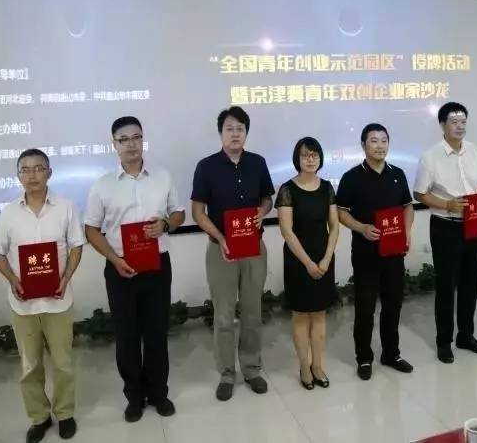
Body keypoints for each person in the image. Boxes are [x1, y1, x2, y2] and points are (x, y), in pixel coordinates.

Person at [84, 116, 185, 422]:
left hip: (157, 266)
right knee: (127, 336)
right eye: (124, 139)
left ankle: (159, 393)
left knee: (156, 332)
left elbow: (179, 213)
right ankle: (134, 396)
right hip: (120, 268)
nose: (131, 144)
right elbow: (91, 229)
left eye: (136, 137)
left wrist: (166, 224)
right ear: (114, 144)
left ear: (143, 140)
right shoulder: (103, 185)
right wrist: (114, 259)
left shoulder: (162, 177)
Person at [0, 149, 84, 442]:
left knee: (63, 363)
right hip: (23, 304)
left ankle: (65, 413)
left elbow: (76, 246)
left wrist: (66, 278)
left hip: (58, 300)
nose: (32, 175)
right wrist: (13, 280)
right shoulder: (9, 212)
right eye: (25, 170)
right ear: (18, 175)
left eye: (38, 168)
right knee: (30, 366)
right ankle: (39, 417)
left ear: (49, 173)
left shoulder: (66, 207)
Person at [191, 106, 275, 402]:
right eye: (229, 128)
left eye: (240, 128)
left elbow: (267, 198)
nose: (235, 133)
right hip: (221, 251)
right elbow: (198, 212)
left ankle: (251, 369)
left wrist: (262, 211)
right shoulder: (206, 166)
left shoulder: (258, 163)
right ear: (220, 133)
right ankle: (227, 373)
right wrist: (220, 237)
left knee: (252, 312)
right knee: (224, 315)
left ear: (246, 133)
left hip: (254, 248)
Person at [414, 102, 477, 361]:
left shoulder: (474, 151)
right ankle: (444, 341)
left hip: (472, 225)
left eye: (463, 122)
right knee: (446, 285)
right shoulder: (431, 156)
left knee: (471, 284)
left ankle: (466, 335)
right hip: (445, 226)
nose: (460, 126)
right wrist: (446, 204)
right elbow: (420, 193)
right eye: (454, 122)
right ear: (442, 125)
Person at [337, 123, 414, 380]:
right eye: (374, 141)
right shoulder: (351, 177)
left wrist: (407, 232)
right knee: (365, 307)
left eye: (384, 140)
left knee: (393, 304)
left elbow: (407, 206)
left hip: (394, 251)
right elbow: (341, 213)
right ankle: (364, 358)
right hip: (366, 252)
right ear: (363, 145)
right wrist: (361, 228)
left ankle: (391, 354)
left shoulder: (397, 174)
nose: (380, 146)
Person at [275, 137, 339, 390]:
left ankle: (318, 365)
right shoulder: (287, 189)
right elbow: (287, 231)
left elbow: (334, 227)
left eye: (314, 155)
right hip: (298, 260)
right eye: (305, 155)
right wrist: (308, 263)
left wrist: (326, 258)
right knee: (301, 315)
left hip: (324, 257)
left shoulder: (327, 188)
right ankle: (304, 366)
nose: (310, 159)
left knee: (320, 314)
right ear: (297, 159)